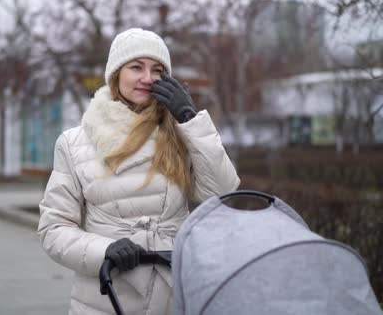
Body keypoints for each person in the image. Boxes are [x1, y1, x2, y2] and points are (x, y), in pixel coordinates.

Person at [37, 27, 240, 314]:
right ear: (116, 74)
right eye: (136, 67)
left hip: (176, 294)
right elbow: (54, 229)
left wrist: (190, 120)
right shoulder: (73, 143)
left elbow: (222, 194)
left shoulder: (181, 133)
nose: (147, 78)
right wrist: (103, 250)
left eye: (157, 69)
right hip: (106, 299)